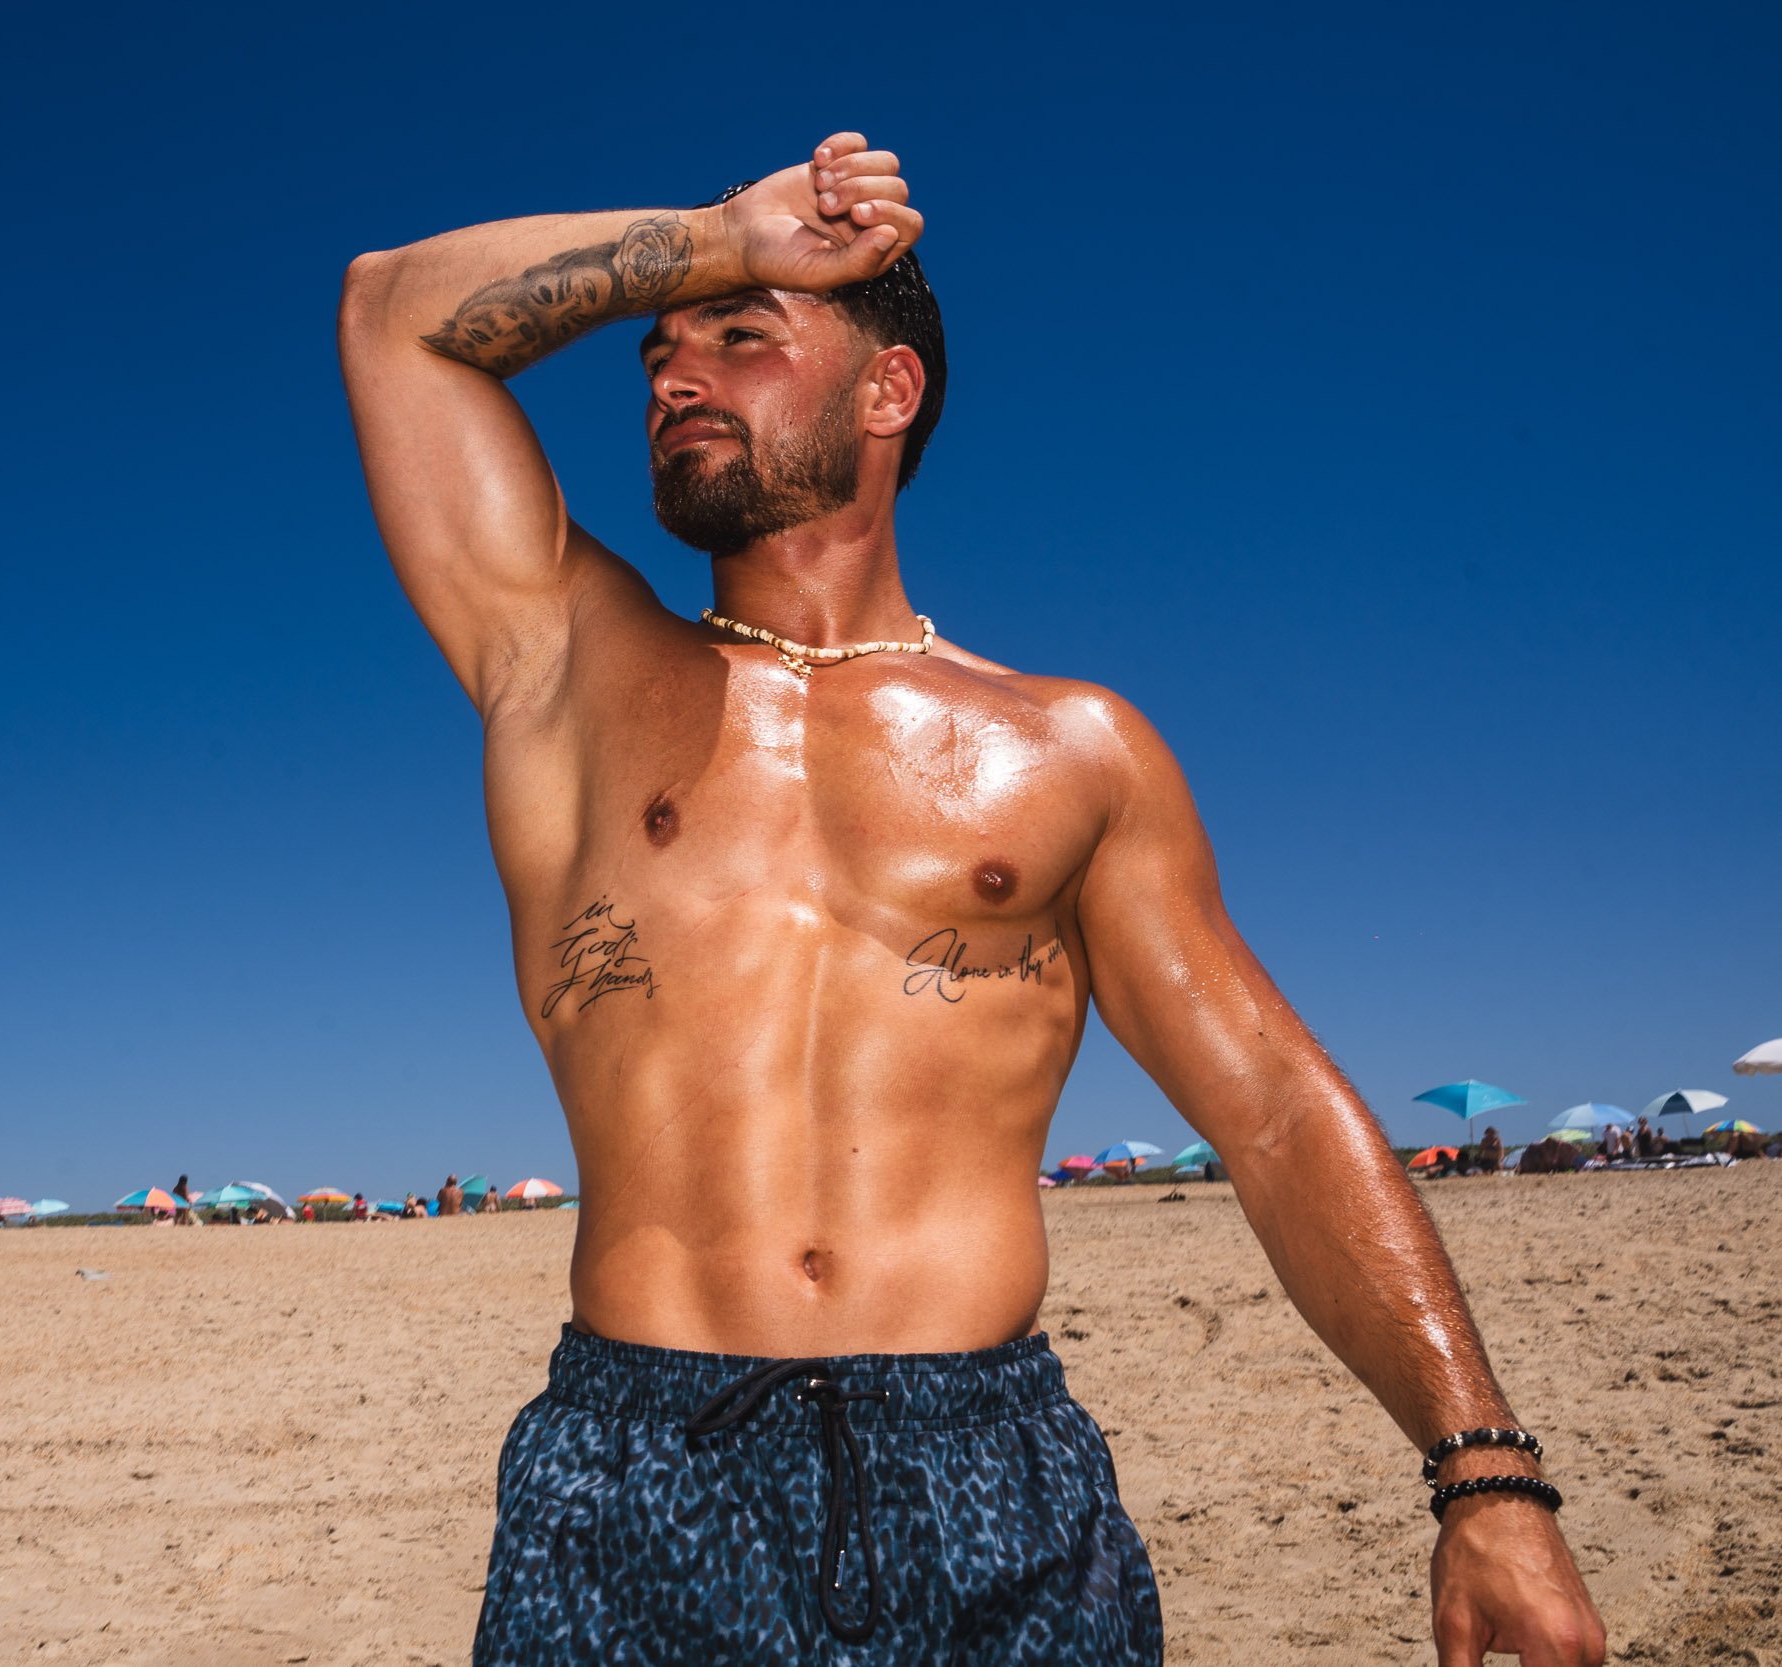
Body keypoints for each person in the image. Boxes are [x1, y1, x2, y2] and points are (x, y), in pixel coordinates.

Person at [340, 132, 1603, 1665]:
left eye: (742, 337)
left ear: (889, 391)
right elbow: (394, 315)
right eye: (660, 353)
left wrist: (1486, 1471)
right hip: (632, 1467)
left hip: (985, 1474)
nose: (674, 376)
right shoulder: (567, 667)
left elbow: (1272, 1109)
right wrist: (728, 240)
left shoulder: (1073, 751)